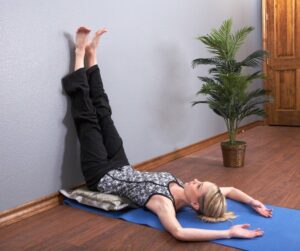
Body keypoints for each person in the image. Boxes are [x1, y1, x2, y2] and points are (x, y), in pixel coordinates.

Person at [62, 26, 272, 242]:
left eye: (199, 185)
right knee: (105, 114)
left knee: (88, 120)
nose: (196, 180)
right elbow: (230, 190)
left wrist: (228, 232)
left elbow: (179, 232)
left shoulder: (163, 203)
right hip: (121, 164)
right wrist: (253, 201)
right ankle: (92, 55)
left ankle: (79, 53)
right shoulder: (190, 190)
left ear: (195, 205)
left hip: (100, 176)